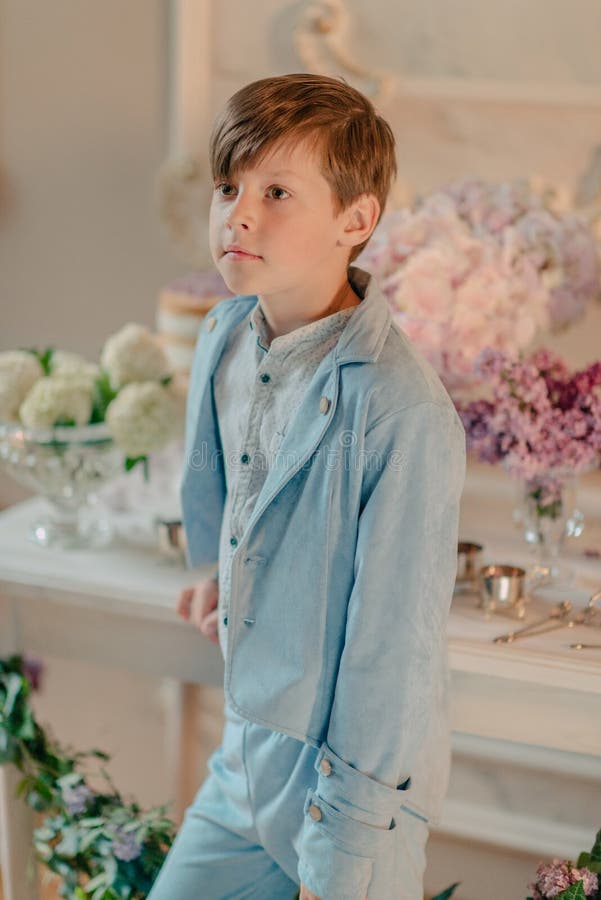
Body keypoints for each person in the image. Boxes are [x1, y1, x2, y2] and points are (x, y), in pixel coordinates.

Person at [147, 73, 466, 900]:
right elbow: (218, 487)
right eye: (228, 187)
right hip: (242, 763)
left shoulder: (401, 412)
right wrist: (217, 573)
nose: (237, 215)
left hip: (342, 791)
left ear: (355, 221)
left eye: (277, 191)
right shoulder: (222, 335)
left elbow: (392, 656)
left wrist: (344, 858)